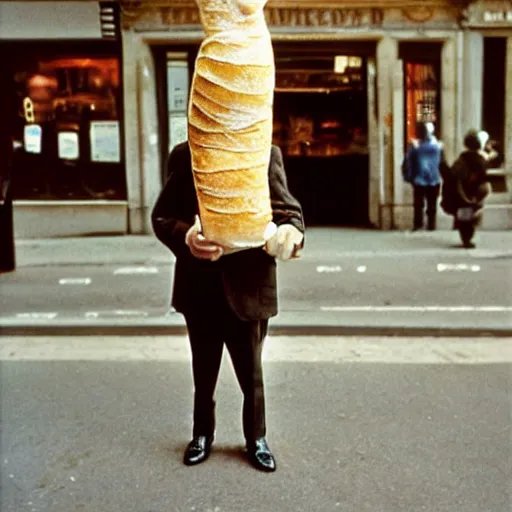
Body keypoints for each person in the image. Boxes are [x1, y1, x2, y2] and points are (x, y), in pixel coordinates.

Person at [151, 141, 304, 472]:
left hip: (249, 285)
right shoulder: (185, 155)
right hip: (199, 284)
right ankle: (202, 434)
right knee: (203, 372)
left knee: (252, 374)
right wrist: (186, 236)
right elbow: (162, 217)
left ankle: (256, 439)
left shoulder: (264, 151)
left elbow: (288, 211)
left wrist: (290, 232)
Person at [441, 129, 492, 249]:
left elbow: (454, 175)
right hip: (476, 192)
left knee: (465, 217)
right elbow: (484, 175)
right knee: (472, 216)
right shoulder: (481, 159)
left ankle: (465, 238)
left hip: (463, 192)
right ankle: (468, 238)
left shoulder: (461, 160)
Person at [402, 121, 449, 231]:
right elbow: (443, 163)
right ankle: (431, 225)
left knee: (418, 204)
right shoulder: (438, 146)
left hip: (419, 179)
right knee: (431, 204)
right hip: (433, 179)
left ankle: (418, 224)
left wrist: (408, 176)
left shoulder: (415, 146)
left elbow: (408, 162)